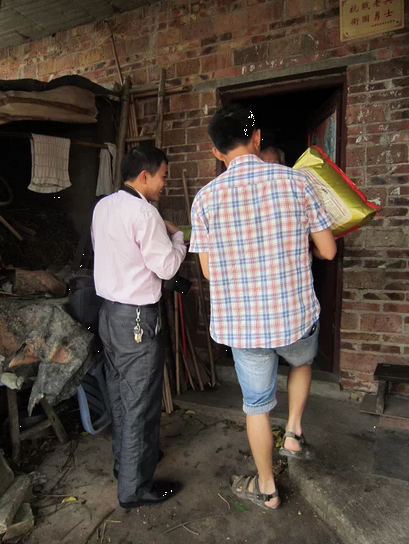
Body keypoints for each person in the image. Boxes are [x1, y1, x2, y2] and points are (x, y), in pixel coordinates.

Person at [189, 104, 336, 511]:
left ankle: (267, 489)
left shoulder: (204, 199)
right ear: (257, 138)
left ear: (216, 151)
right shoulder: (297, 182)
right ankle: (293, 433)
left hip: (243, 324)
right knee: (301, 363)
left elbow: (209, 271)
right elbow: (328, 250)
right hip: (294, 316)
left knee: (255, 406)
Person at [91, 146, 186, 509]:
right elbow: (167, 268)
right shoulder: (145, 213)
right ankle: (134, 489)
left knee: (121, 395)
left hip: (109, 315)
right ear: (144, 176)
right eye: (163, 176)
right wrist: (178, 238)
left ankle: (127, 464)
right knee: (140, 405)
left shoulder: (104, 206)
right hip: (136, 320)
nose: (165, 183)